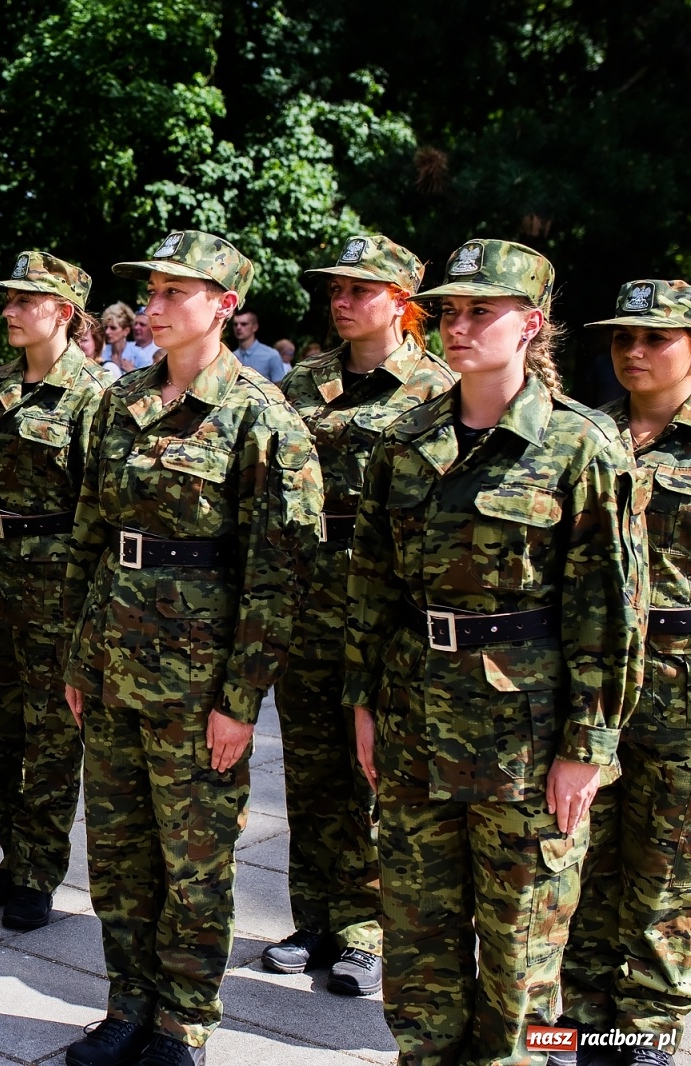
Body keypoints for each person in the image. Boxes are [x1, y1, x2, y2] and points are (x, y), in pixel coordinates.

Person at [345, 239, 644, 1066]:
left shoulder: (581, 446)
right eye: (449, 310)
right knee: (418, 949)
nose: (460, 324)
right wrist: (363, 701)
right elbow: (371, 584)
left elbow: (611, 615)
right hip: (412, 721)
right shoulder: (406, 442)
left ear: (532, 325)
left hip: (525, 738)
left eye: (483, 310)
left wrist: (588, 748)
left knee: (522, 960)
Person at [62, 229, 322, 1066]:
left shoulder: (262, 419)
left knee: (196, 863)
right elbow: (92, 539)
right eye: (153, 290)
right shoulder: (120, 401)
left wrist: (239, 701)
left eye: (179, 291)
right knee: (118, 853)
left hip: (199, 683)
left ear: (225, 306)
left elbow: (277, 578)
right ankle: (126, 1004)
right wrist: (78, 658)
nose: (156, 304)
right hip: (113, 668)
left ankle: (184, 1023)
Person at [267, 235, 454, 998]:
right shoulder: (305, 382)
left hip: (383, 604)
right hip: (309, 597)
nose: (341, 301)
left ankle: (369, 928)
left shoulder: (435, 389)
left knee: (375, 770)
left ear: (402, 303)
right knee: (311, 768)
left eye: (359, 290)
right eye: (335, 289)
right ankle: (313, 916)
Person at [0, 250, 107, 932]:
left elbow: (100, 511)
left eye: (25, 301)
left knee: (50, 741)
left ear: (64, 313)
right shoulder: (0, 386)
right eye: (8, 299)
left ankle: (40, 870)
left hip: (55, 592)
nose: (10, 310)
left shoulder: (95, 395)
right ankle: (12, 855)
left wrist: (87, 612)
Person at [562, 278, 691, 1066]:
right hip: (593, 676)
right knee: (582, 849)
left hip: (682, 677)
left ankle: (648, 1030)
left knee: (667, 862)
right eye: (622, 339)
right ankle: (577, 1018)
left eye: (656, 338)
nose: (634, 352)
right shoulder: (587, 435)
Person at [231, 308, 287, 385]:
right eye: (235, 324)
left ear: (255, 327)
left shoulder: (271, 355)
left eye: (244, 324)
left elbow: (280, 388)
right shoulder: (231, 357)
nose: (238, 327)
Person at [98, 301, 140, 375]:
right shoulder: (101, 352)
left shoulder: (138, 354)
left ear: (126, 331)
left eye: (113, 328)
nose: (107, 332)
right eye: (106, 327)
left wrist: (133, 372)